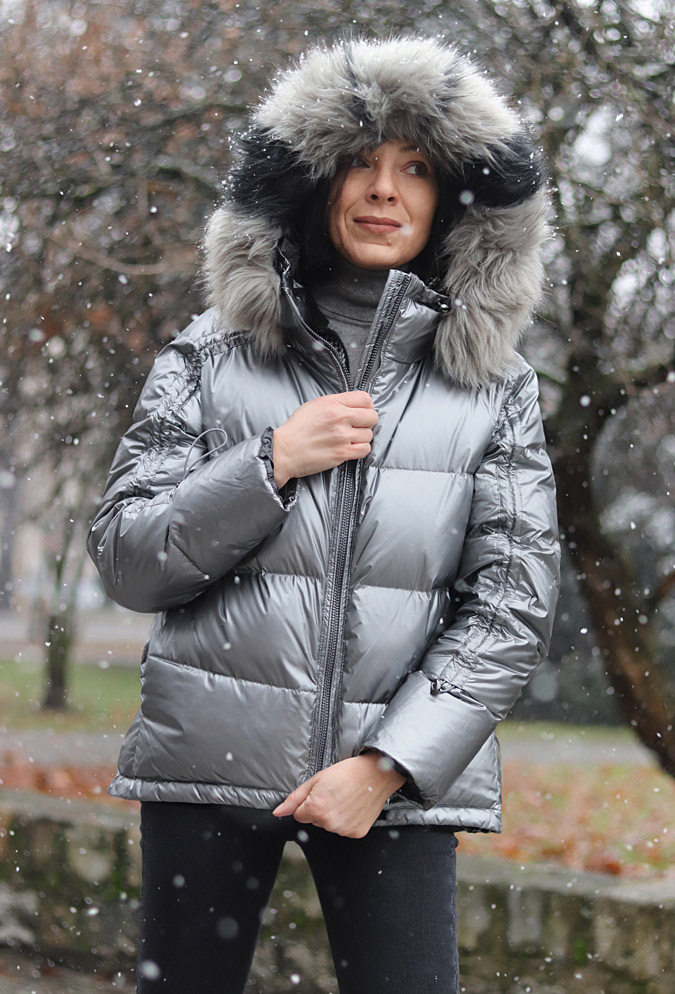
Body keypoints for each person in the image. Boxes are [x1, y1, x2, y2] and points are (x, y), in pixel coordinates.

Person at [87, 35, 560, 994]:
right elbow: (129, 559)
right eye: (360, 162)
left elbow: (511, 606)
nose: (384, 189)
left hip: (395, 787)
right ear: (312, 181)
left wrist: (384, 766)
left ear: (452, 200)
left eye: (415, 167)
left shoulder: (492, 388)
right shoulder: (210, 354)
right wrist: (267, 464)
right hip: (206, 766)